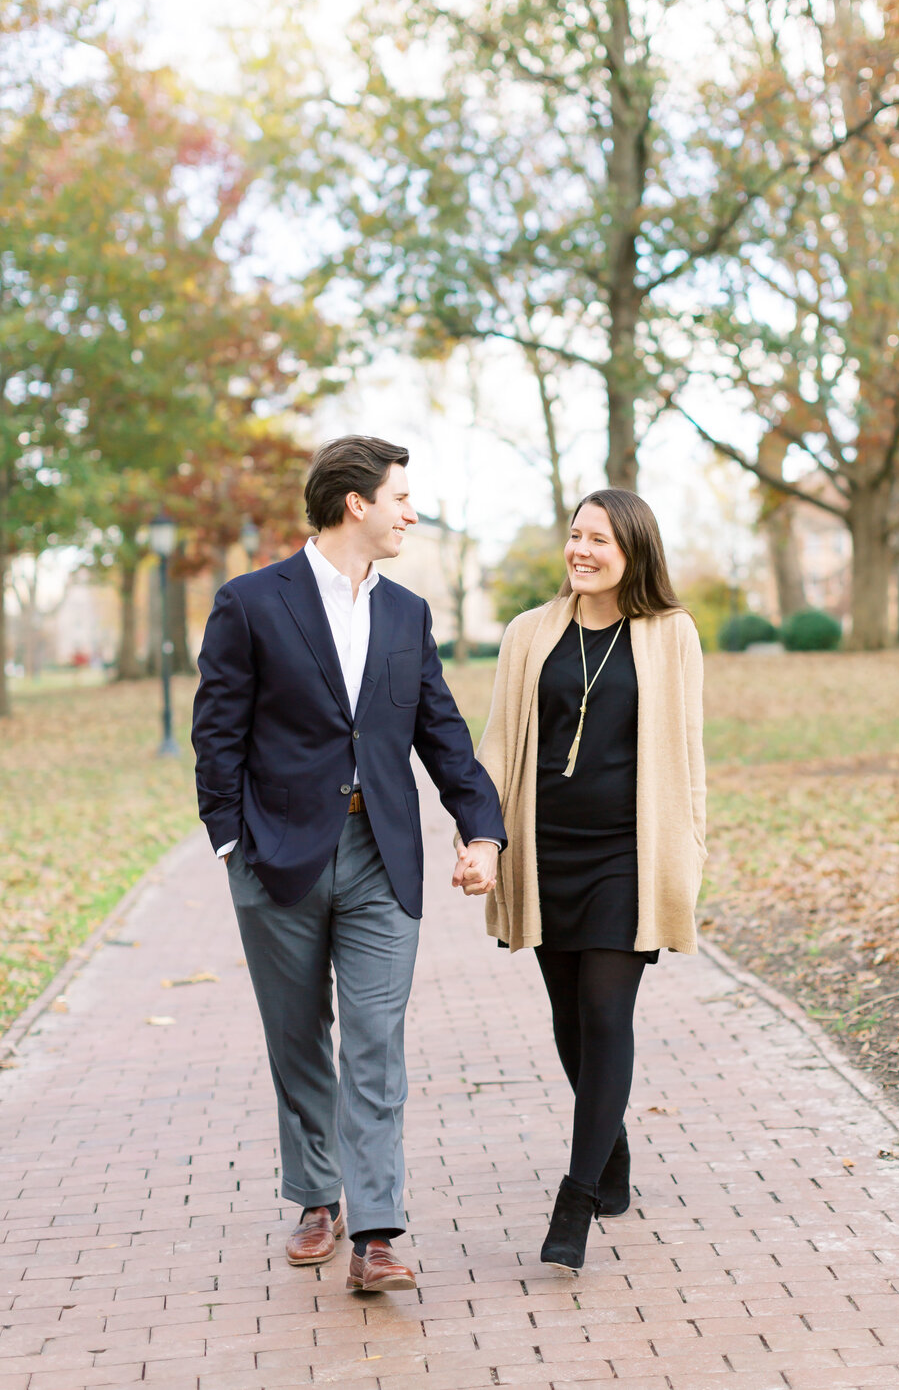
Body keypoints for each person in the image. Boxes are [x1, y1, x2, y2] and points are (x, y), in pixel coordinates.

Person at [191, 435, 505, 1293]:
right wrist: (229, 844)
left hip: (381, 858)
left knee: (375, 1044)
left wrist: (483, 828)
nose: (411, 511)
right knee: (298, 1038)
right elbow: (216, 734)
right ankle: (315, 1198)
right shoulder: (251, 603)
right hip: (276, 858)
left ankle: (375, 1231)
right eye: (400, 497)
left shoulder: (407, 614)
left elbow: (440, 730)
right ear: (354, 504)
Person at [473, 488, 706, 1272]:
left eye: (598, 540)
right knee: (571, 1019)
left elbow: (688, 755)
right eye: (575, 536)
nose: (581, 550)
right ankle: (611, 1147)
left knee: (607, 1010)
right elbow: (500, 743)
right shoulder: (528, 634)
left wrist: (691, 847)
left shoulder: (670, 635)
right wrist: (483, 837)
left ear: (632, 550)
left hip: (626, 856)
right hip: (547, 853)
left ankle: (576, 1196)